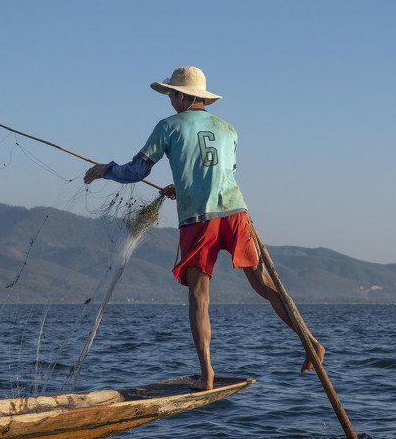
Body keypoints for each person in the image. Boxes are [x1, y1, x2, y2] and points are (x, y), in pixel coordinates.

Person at [84, 66, 324, 391]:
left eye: (171, 94)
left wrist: (106, 169)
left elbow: (136, 171)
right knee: (264, 284)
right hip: (237, 213)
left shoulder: (168, 126)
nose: (169, 99)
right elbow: (218, 171)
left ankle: (207, 375)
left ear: (182, 95)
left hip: (199, 219)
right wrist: (179, 186)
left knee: (199, 297)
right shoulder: (229, 129)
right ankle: (311, 341)